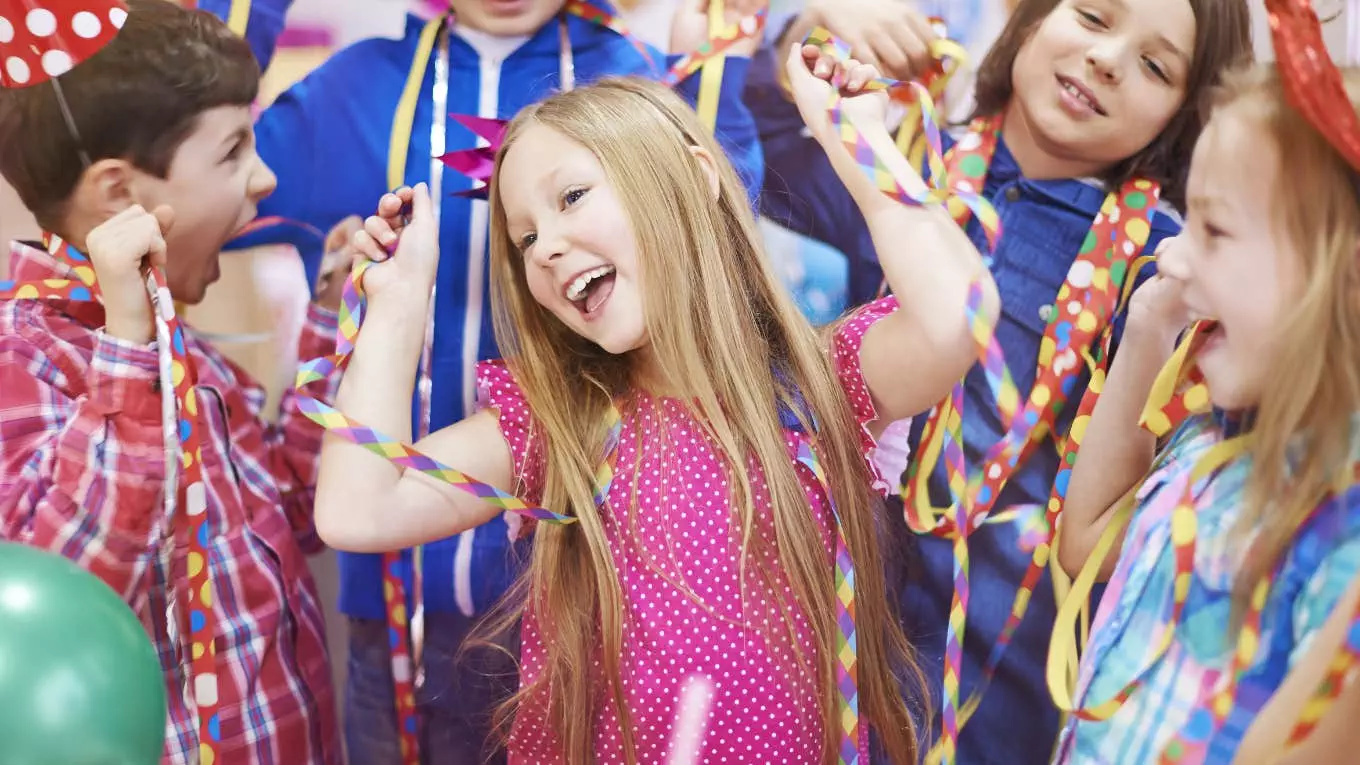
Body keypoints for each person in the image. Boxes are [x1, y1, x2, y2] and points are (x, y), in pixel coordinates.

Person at [313, 40, 1001, 759]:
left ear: (695, 175)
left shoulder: (824, 384)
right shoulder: (560, 426)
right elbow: (359, 507)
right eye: (523, 238)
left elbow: (958, 315)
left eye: (571, 196)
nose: (544, 247)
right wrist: (394, 308)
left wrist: (854, 139)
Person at [231, 1, 763, 758]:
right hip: (400, 596)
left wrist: (726, 54)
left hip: (608, 608)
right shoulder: (354, 88)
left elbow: (722, 207)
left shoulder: (635, 75)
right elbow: (198, 149)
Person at [743, 0, 1254, 761]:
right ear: (1028, 17)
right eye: (1090, 15)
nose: (1108, 59)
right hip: (818, 634)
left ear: (1184, 117)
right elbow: (756, 136)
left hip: (991, 688)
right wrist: (810, 35)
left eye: (1154, 66)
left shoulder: (1166, 269)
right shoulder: (906, 157)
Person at [0, 1, 340, 761]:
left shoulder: (191, 357)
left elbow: (300, 508)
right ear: (120, 193)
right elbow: (69, 599)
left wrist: (334, 317)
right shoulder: (21, 361)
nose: (265, 177)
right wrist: (126, 348)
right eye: (231, 152)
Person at [1055, 59, 1360, 763]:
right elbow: (1088, 540)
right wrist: (1146, 331)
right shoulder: (1216, 439)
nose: (1174, 256)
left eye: (1214, 230)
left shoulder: (1341, 523)